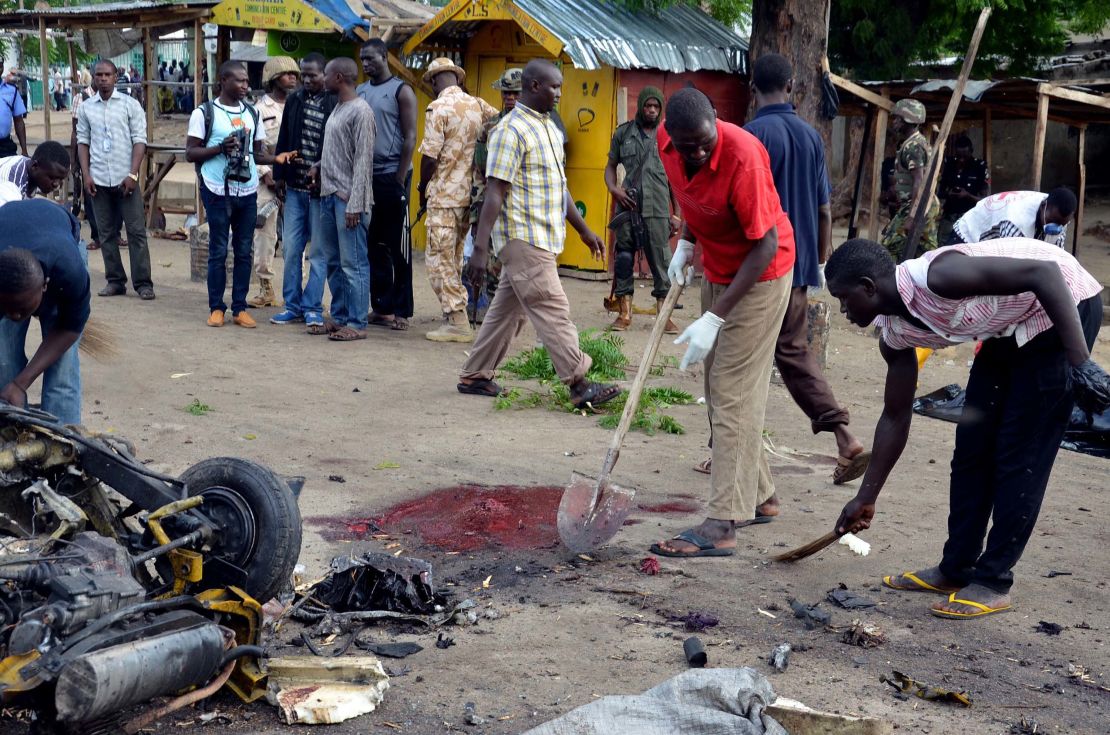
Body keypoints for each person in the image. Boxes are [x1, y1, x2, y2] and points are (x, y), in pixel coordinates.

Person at [826, 237, 1107, 619]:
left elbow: (1046, 273)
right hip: (1006, 326)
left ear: (868, 287)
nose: (842, 310)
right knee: (972, 450)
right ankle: (955, 568)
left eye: (844, 298)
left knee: (1020, 453)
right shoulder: (894, 336)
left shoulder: (940, 276)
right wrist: (867, 495)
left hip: (1062, 305)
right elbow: (895, 415)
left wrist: (1081, 364)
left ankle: (993, 581)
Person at [647, 87, 796, 558]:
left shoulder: (744, 157)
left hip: (762, 275)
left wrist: (714, 315)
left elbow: (766, 246)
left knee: (731, 391)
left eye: (704, 141)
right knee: (719, 389)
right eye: (687, 145)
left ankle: (721, 524)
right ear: (670, 135)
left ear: (716, 118)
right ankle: (761, 495)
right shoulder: (666, 144)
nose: (697, 152)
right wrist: (687, 244)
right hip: (719, 266)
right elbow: (691, 198)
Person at [458, 60, 619, 410]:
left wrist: (586, 231)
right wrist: (480, 248)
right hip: (522, 236)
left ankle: (475, 374)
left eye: (560, 87)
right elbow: (495, 192)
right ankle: (579, 383)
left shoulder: (547, 128)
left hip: (544, 235)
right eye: (553, 87)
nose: (559, 93)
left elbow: (560, 190)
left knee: (506, 312)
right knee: (551, 305)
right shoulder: (509, 131)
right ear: (533, 86)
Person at [742, 53, 869, 485]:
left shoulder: (751, 136)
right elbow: (824, 208)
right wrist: (816, 261)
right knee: (791, 351)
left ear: (752, 87)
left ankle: (733, 451)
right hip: (796, 265)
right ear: (793, 85)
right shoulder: (811, 136)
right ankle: (844, 437)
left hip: (759, 268)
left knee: (741, 359)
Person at [185, 61, 294, 328]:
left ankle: (239, 307)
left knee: (244, 250)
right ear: (223, 80)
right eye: (240, 81)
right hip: (216, 189)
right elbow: (190, 153)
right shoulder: (204, 113)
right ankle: (216, 307)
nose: (246, 85)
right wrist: (219, 149)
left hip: (246, 190)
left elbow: (256, 154)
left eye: (247, 81)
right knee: (218, 250)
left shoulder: (250, 113)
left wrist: (276, 158)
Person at [417, 57, 498, 343]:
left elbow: (429, 157)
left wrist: (421, 187)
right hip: (473, 196)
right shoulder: (480, 105)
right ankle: (458, 313)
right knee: (454, 256)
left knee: (439, 259)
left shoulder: (437, 108)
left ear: (436, 80)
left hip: (444, 196)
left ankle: (457, 319)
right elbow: (500, 124)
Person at [0, 200, 90, 425]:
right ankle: (12, 438)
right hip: (11, 233)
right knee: (4, 363)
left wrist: (22, 383)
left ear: (45, 286)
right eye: (8, 309)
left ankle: (65, 445)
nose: (15, 317)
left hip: (60, 234)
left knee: (62, 371)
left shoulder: (69, 272)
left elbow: (69, 329)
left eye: (23, 310)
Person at [76, 60, 155, 301]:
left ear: (115, 76)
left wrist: (133, 174)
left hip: (125, 179)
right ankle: (115, 280)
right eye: (98, 75)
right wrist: (86, 175)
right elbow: (83, 142)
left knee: (136, 232)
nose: (102, 79)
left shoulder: (130, 105)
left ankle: (143, 283)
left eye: (107, 74)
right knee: (106, 233)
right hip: (98, 179)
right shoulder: (87, 108)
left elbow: (139, 140)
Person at [310, 57, 376, 342]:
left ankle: (357, 322)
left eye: (325, 74)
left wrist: (355, 204)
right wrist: (318, 166)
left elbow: (363, 161)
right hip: (328, 195)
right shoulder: (338, 107)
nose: (322, 79)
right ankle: (339, 316)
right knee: (334, 263)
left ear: (338, 77)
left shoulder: (361, 112)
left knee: (354, 263)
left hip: (348, 199)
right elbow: (337, 151)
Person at [605, 86, 680, 334]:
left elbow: (676, 178)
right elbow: (610, 166)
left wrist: (677, 213)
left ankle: (664, 316)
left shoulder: (669, 135)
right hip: (628, 204)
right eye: (648, 106)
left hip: (658, 206)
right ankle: (624, 313)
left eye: (656, 106)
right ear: (641, 107)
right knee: (624, 257)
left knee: (662, 260)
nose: (651, 110)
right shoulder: (624, 133)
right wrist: (615, 190)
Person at [270, 53, 335, 329]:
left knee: (318, 253)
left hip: (321, 191)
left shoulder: (334, 101)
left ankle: (312, 308)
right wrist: (280, 177)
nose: (307, 80)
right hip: (295, 188)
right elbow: (284, 137)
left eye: (312, 75)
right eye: (303, 75)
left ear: (325, 75)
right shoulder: (295, 99)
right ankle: (292, 305)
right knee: (291, 249)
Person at [358, 39, 418, 332]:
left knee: (399, 247)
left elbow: (410, 137)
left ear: (384, 57)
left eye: (370, 59)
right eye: (362, 60)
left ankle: (402, 311)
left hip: (393, 176)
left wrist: (398, 177)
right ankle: (381, 307)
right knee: (374, 245)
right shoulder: (360, 91)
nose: (366, 64)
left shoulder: (401, 90)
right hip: (367, 178)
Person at [467, 67, 522, 325]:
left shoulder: (538, 128)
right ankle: (490, 319)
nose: (510, 98)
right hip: (493, 206)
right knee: (490, 267)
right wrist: (477, 214)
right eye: (506, 93)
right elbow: (479, 174)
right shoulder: (489, 128)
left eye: (515, 93)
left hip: (522, 211)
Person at [247, 56, 299, 308]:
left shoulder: (299, 105)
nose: (293, 78)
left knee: (295, 237)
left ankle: (296, 291)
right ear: (274, 78)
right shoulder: (259, 110)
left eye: (295, 74)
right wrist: (266, 174)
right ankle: (266, 287)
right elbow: (253, 148)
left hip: (296, 182)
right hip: (267, 180)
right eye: (287, 74)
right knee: (265, 235)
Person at [881, 99, 938, 261]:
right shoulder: (913, 143)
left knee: (889, 248)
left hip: (917, 206)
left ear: (909, 120)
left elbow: (919, 181)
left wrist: (912, 216)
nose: (894, 122)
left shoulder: (913, 146)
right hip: (920, 204)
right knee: (926, 252)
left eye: (898, 118)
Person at [950, 188, 1075, 248]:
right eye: (1051, 221)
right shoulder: (1017, 221)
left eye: (1061, 224)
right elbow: (1008, 264)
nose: (1055, 227)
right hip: (967, 236)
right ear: (1043, 206)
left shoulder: (1059, 217)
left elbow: (1056, 256)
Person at [936, 133, 990, 242]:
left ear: (971, 151)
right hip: (949, 217)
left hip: (970, 218)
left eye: (965, 156)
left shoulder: (980, 167)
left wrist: (967, 195)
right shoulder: (949, 164)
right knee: (944, 246)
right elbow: (939, 192)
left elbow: (985, 199)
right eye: (958, 156)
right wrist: (948, 194)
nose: (961, 159)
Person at [0, 141, 70, 199]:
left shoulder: (31, 167)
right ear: (34, 166)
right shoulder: (12, 183)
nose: (56, 184)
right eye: (52, 177)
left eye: (61, 179)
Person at [0, 61, 29, 158]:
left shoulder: (12, 90)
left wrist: (24, 150)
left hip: (5, 146)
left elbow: (19, 121)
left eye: (0, 65)